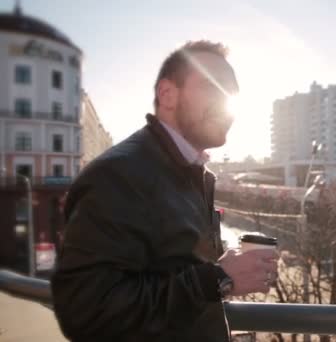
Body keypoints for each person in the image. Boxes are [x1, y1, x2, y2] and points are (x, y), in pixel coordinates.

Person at [51, 40, 278, 342]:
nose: (228, 104)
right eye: (214, 86)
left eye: (233, 93)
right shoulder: (118, 175)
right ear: (168, 95)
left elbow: (176, 270)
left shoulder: (194, 172)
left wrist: (226, 268)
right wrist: (219, 279)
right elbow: (87, 311)